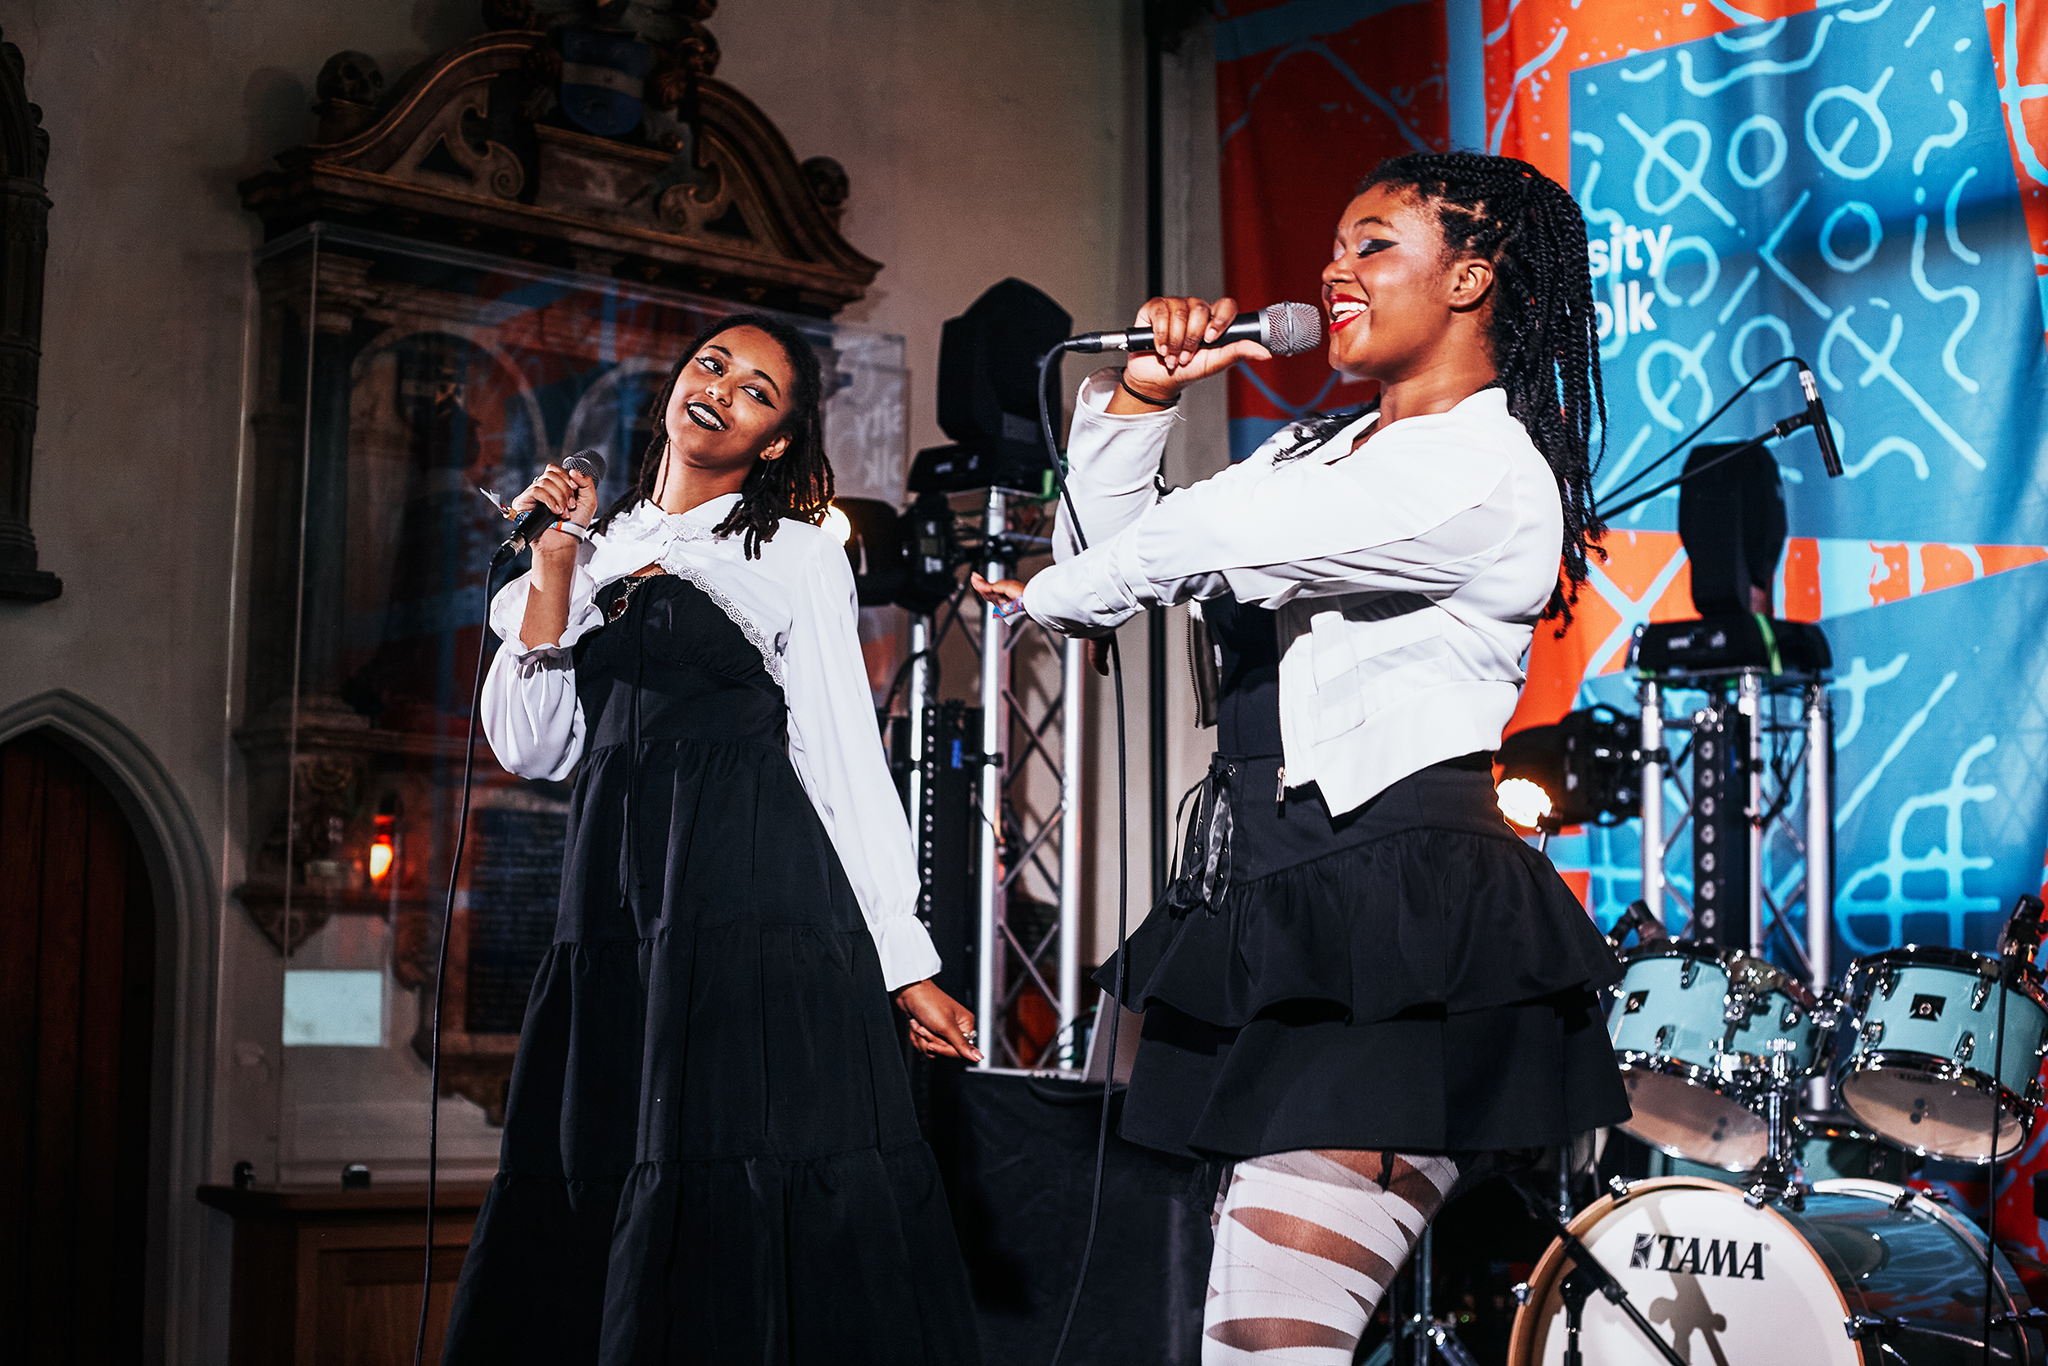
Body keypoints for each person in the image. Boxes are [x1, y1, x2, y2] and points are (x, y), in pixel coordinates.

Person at [974, 151, 1629, 1364]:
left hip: (1391, 910)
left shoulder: (1482, 471)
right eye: (1332, 244)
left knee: (1273, 1341)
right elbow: (1112, 556)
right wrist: (1138, 403)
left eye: (1373, 243)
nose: (1333, 269)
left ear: (1472, 277)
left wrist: (1053, 591)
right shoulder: (1311, 456)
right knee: (1212, 1323)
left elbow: (1186, 545)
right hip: (1266, 886)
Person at [443, 312, 983, 1365]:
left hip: (756, 898)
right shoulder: (591, 554)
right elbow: (531, 745)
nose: (723, 389)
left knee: (741, 1168)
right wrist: (557, 566)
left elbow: (840, 757)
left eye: (757, 391)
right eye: (712, 365)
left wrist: (904, 960)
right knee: (612, 1164)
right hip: (619, 906)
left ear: (774, 441)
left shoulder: (791, 556)